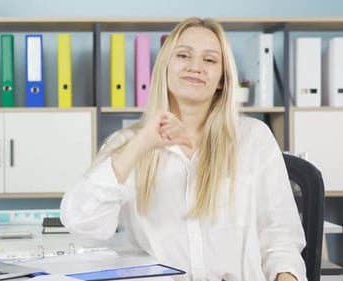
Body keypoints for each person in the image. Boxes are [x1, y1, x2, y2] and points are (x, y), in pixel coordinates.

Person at [60, 17, 307, 281]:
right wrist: (142, 143)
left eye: (210, 60)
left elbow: (280, 240)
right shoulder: (128, 144)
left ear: (222, 80)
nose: (195, 67)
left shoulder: (253, 138)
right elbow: (81, 223)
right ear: (165, 67)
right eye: (183, 55)